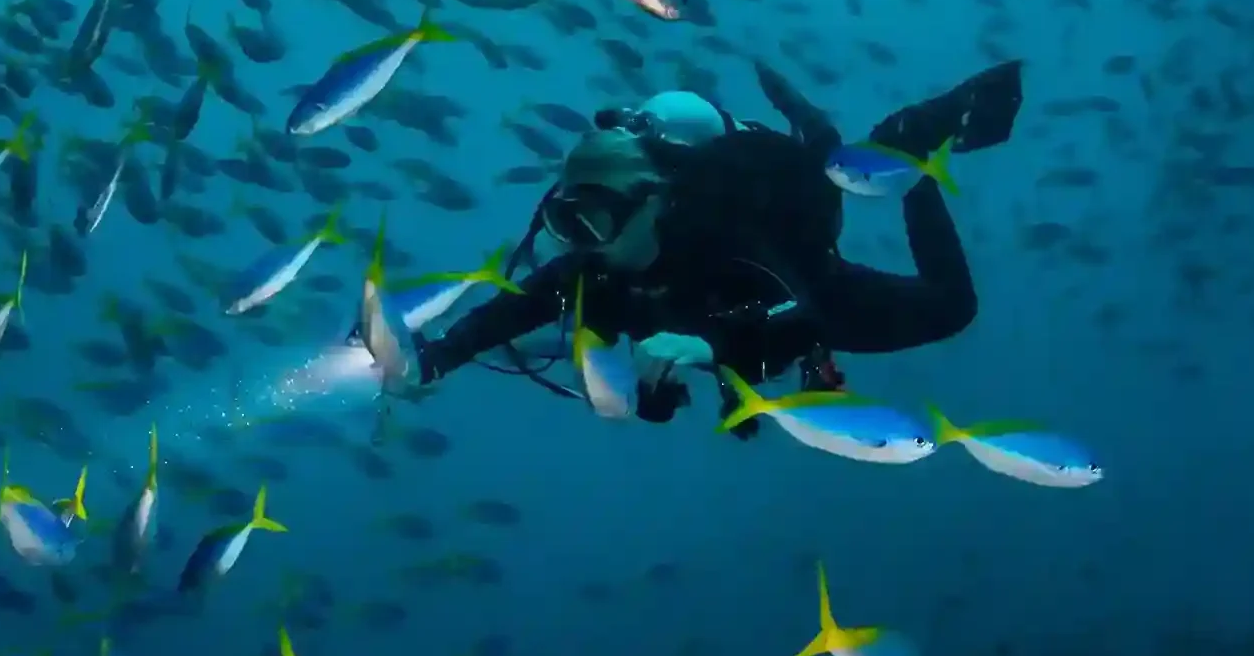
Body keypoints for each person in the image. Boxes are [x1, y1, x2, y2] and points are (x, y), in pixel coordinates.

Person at [410, 60, 1024, 426]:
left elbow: (803, 311)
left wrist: (713, 343)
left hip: (803, 270)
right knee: (820, 148)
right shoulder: (595, 270)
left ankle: (911, 156)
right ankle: (817, 123)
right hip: (735, 316)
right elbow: (515, 309)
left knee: (952, 305)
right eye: (566, 223)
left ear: (655, 201)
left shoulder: (723, 233)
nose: (584, 243)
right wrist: (438, 354)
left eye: (596, 222)